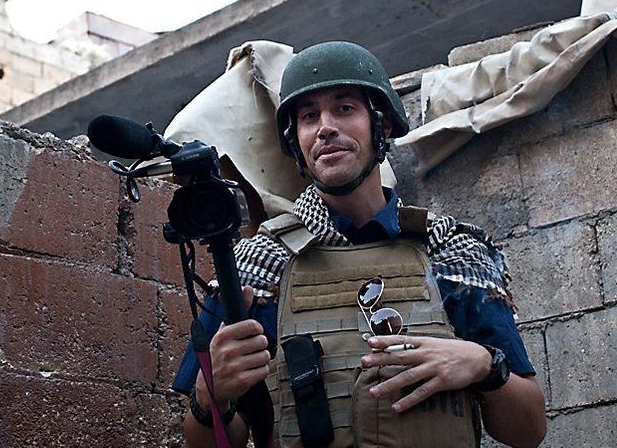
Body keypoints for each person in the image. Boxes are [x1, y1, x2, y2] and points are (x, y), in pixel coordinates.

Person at [173, 41, 547, 448]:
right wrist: (213, 398)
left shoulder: (451, 252)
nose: (325, 127)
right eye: (308, 116)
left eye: (345, 108)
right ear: (295, 140)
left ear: (382, 126)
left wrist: (484, 366)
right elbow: (202, 442)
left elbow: (528, 431)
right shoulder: (255, 267)